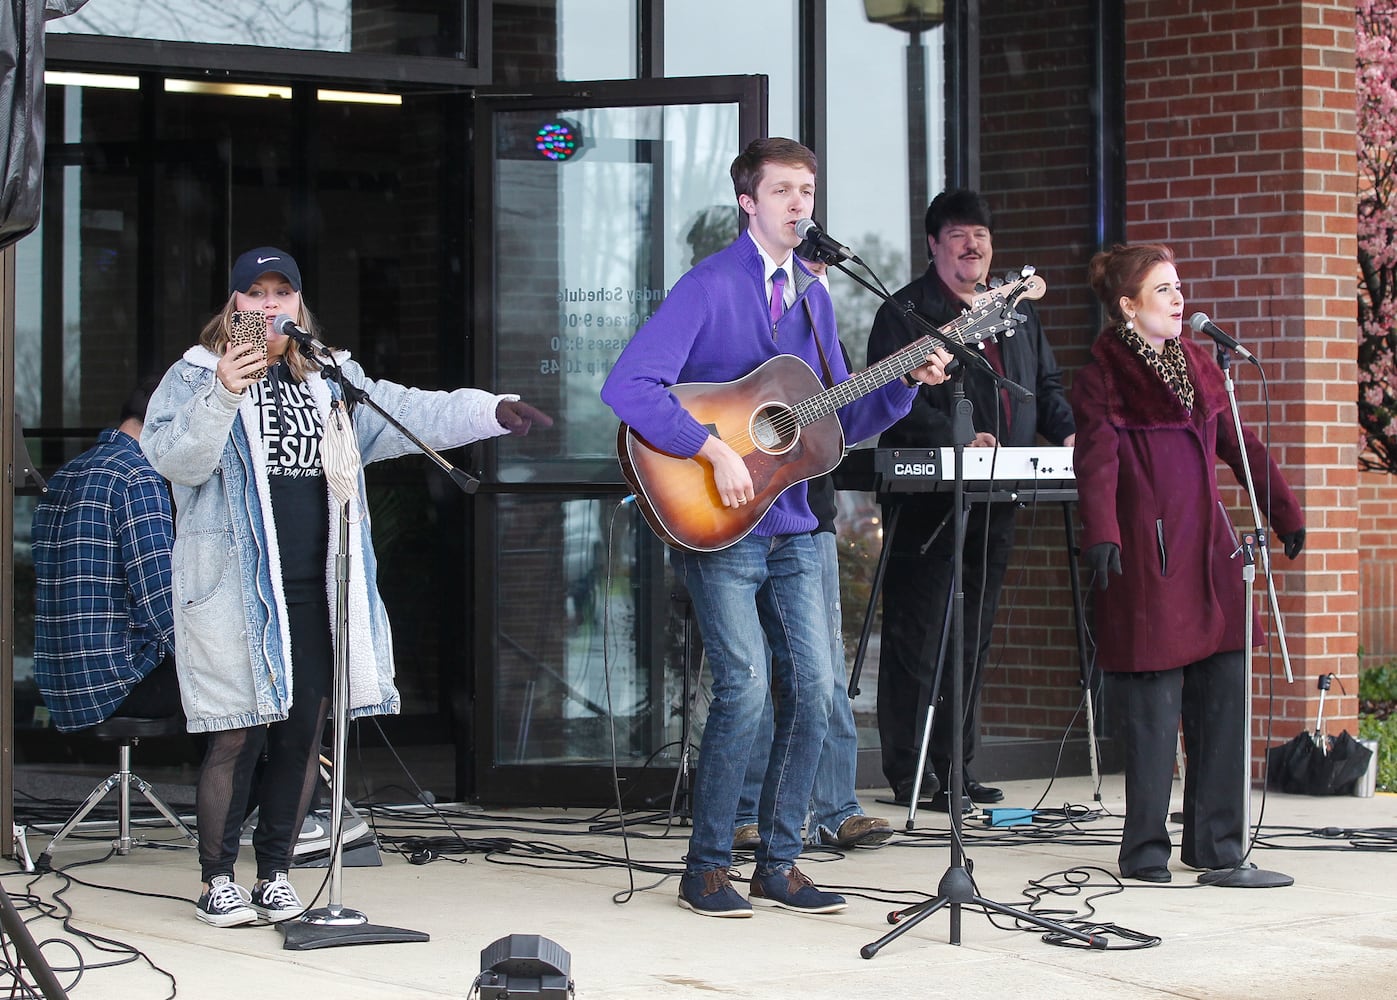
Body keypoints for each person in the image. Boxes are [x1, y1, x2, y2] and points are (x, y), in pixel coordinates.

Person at [142, 246, 551, 927]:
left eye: (283, 294)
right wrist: (224, 391)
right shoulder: (192, 378)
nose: (269, 306)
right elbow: (177, 461)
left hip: (314, 586)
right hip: (235, 591)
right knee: (236, 735)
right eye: (255, 294)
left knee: (303, 733)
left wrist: (491, 411)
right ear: (234, 305)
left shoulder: (327, 379)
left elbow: (403, 411)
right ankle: (217, 879)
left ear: (299, 306)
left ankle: (273, 871)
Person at [602, 137, 951, 918]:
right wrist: (708, 446)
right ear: (747, 202)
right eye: (785, 190)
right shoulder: (708, 286)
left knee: (817, 686)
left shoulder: (815, 296)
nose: (801, 204)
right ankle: (708, 867)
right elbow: (627, 386)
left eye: (809, 190)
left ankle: (781, 862)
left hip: (794, 523)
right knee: (746, 687)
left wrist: (905, 384)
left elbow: (834, 423)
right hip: (720, 521)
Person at [1072, 242, 1304, 882]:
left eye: (1179, 288)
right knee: (1154, 711)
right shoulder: (1104, 376)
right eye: (1164, 290)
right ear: (1127, 306)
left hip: (1213, 553)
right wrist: (1103, 533)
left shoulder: (1202, 366)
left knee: (1224, 698)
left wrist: (1285, 511)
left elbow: (1240, 444)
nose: (1180, 301)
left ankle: (1218, 848)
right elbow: (1094, 460)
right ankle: (1145, 852)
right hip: (1151, 557)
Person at [867, 188, 1076, 811]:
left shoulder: (1015, 311)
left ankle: (957, 766)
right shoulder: (907, 311)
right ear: (935, 245)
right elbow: (890, 404)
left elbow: (1046, 383)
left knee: (974, 632)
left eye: (981, 234)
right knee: (919, 632)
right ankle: (909, 771)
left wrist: (1066, 431)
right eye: (958, 234)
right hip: (927, 500)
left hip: (998, 494)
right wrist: (957, 436)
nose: (973, 244)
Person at [32, 379, 181, 733]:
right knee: (238, 696)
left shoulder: (67, 473)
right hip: (119, 681)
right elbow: (161, 597)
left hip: (61, 685)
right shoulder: (138, 476)